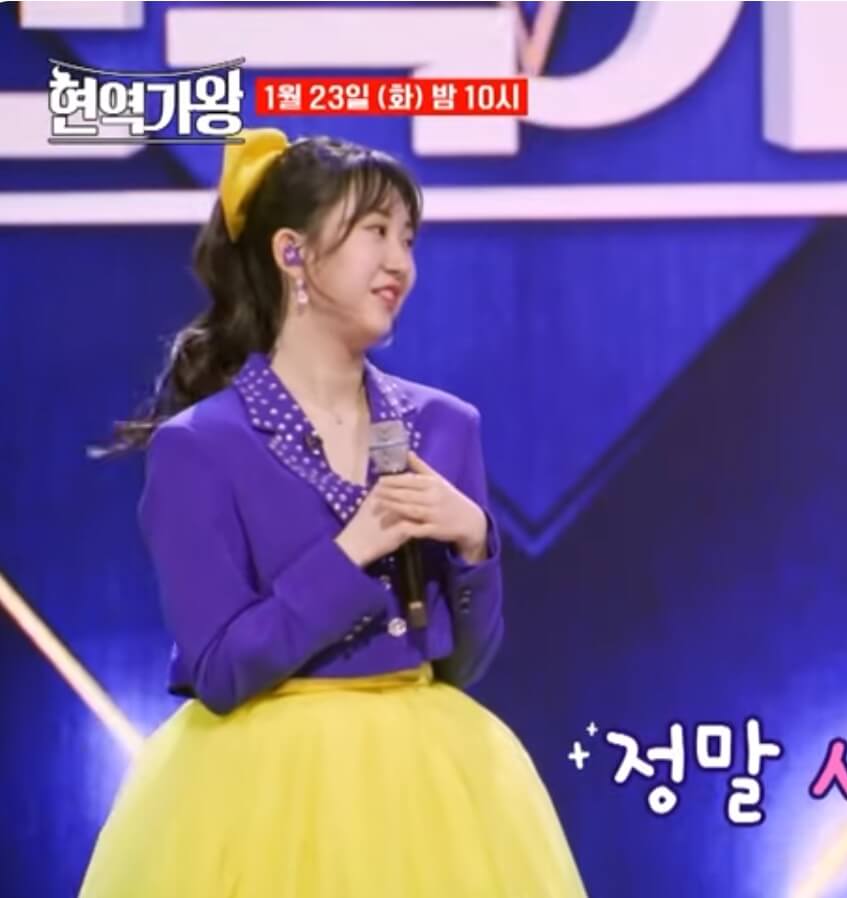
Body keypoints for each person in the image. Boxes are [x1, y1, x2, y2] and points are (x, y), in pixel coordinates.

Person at [79, 129, 589, 898]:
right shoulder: (201, 446)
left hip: (430, 790)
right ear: (292, 253)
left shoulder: (444, 427)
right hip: (256, 796)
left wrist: (475, 545)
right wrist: (349, 553)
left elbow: (462, 664)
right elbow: (219, 670)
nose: (399, 263)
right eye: (374, 232)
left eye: (408, 239)